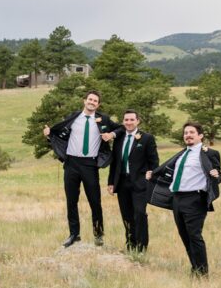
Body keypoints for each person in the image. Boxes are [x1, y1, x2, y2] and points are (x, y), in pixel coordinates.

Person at [43, 90, 120, 248]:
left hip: (90, 165)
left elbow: (121, 128)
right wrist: (49, 135)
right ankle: (74, 234)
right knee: (72, 201)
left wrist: (111, 134)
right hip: (71, 163)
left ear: (98, 104)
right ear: (84, 100)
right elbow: (60, 132)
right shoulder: (73, 116)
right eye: (90, 99)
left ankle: (98, 234)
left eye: (95, 101)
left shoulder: (103, 119)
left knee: (95, 202)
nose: (92, 102)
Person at [147, 122, 221, 276]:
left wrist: (217, 175)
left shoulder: (210, 153)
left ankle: (202, 273)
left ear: (200, 136)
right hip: (177, 199)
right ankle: (194, 268)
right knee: (185, 235)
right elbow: (167, 168)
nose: (188, 135)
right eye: (186, 133)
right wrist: (153, 174)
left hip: (195, 198)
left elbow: (217, 173)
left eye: (191, 132)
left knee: (194, 236)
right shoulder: (182, 154)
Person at [106, 109, 159, 252]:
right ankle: (131, 245)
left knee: (140, 213)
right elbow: (114, 162)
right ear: (123, 122)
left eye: (131, 120)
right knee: (126, 215)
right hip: (122, 182)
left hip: (140, 183)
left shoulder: (147, 138)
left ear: (137, 121)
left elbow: (154, 162)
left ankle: (141, 248)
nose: (129, 122)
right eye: (126, 120)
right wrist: (111, 182)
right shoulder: (119, 138)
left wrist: (151, 179)